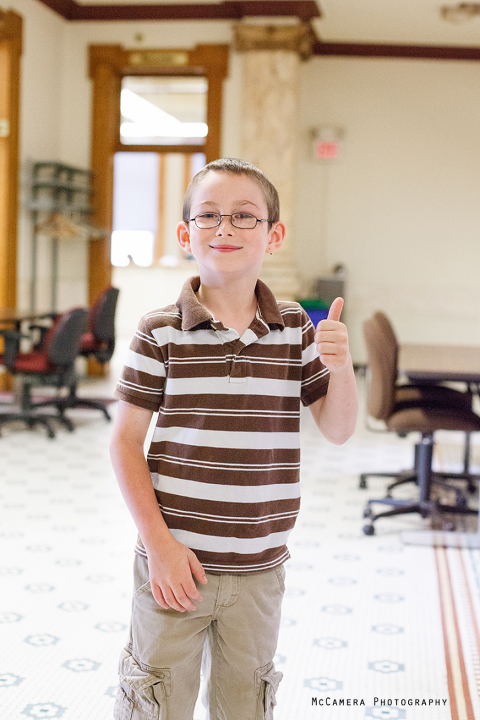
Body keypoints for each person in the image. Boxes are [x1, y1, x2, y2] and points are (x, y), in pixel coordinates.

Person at [110, 158, 358, 720]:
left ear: (274, 235)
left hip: (260, 567)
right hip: (174, 563)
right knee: (156, 700)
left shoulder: (295, 328)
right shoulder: (159, 330)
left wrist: (340, 367)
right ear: (186, 234)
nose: (225, 227)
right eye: (208, 215)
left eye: (244, 216)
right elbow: (124, 443)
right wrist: (159, 546)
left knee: (245, 704)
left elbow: (338, 428)